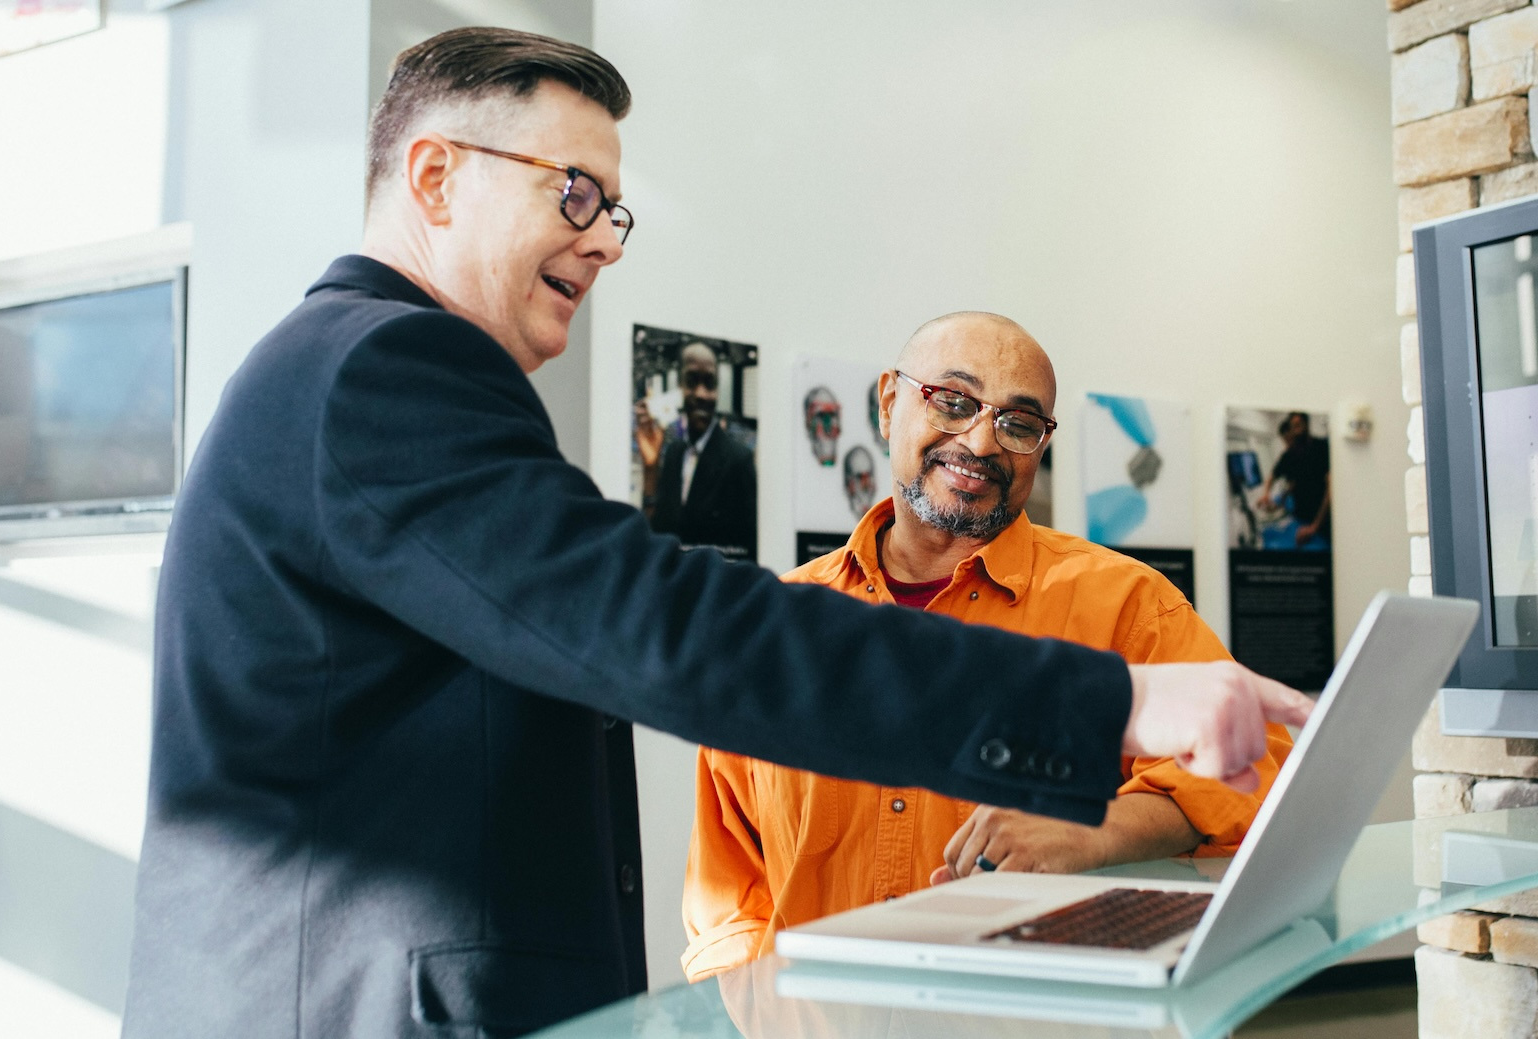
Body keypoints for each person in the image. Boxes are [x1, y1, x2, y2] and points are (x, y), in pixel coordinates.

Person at [124, 28, 1312, 1039]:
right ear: (434, 178)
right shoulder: (385, 365)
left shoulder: (345, 371)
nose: (602, 239)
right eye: (572, 192)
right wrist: (1104, 706)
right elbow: (664, 628)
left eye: (612, 208)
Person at [680, 314, 1293, 981]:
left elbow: (1260, 765)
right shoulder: (780, 626)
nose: (980, 441)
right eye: (953, 400)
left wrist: (1094, 829)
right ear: (889, 402)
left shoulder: (1126, 603)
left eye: (1018, 423)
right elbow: (729, 893)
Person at [641, 342, 758, 561]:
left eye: (710, 383)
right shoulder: (674, 453)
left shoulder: (738, 461)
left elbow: (748, 553)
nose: (701, 394)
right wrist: (650, 468)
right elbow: (657, 534)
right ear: (679, 386)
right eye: (692, 381)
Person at [1260, 411, 1331, 549]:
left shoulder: (1321, 447)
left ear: (1306, 425)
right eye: (1294, 426)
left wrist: (1315, 526)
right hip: (1300, 518)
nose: (1296, 430)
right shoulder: (1289, 455)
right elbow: (1275, 476)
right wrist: (1266, 494)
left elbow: (1331, 487)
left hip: (1322, 520)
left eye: (1299, 425)